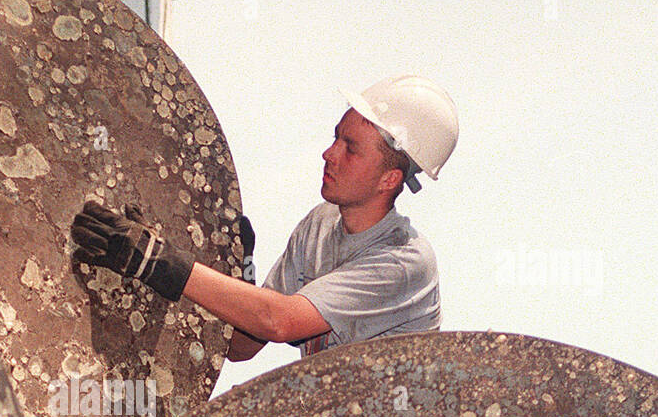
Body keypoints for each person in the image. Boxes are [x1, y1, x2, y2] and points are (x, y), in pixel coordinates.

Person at [70, 75, 459, 363]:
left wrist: (159, 262)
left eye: (351, 149)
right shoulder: (319, 225)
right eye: (336, 137)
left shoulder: (405, 263)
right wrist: (242, 276)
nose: (329, 153)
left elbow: (279, 322)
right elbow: (243, 346)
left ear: (389, 179)